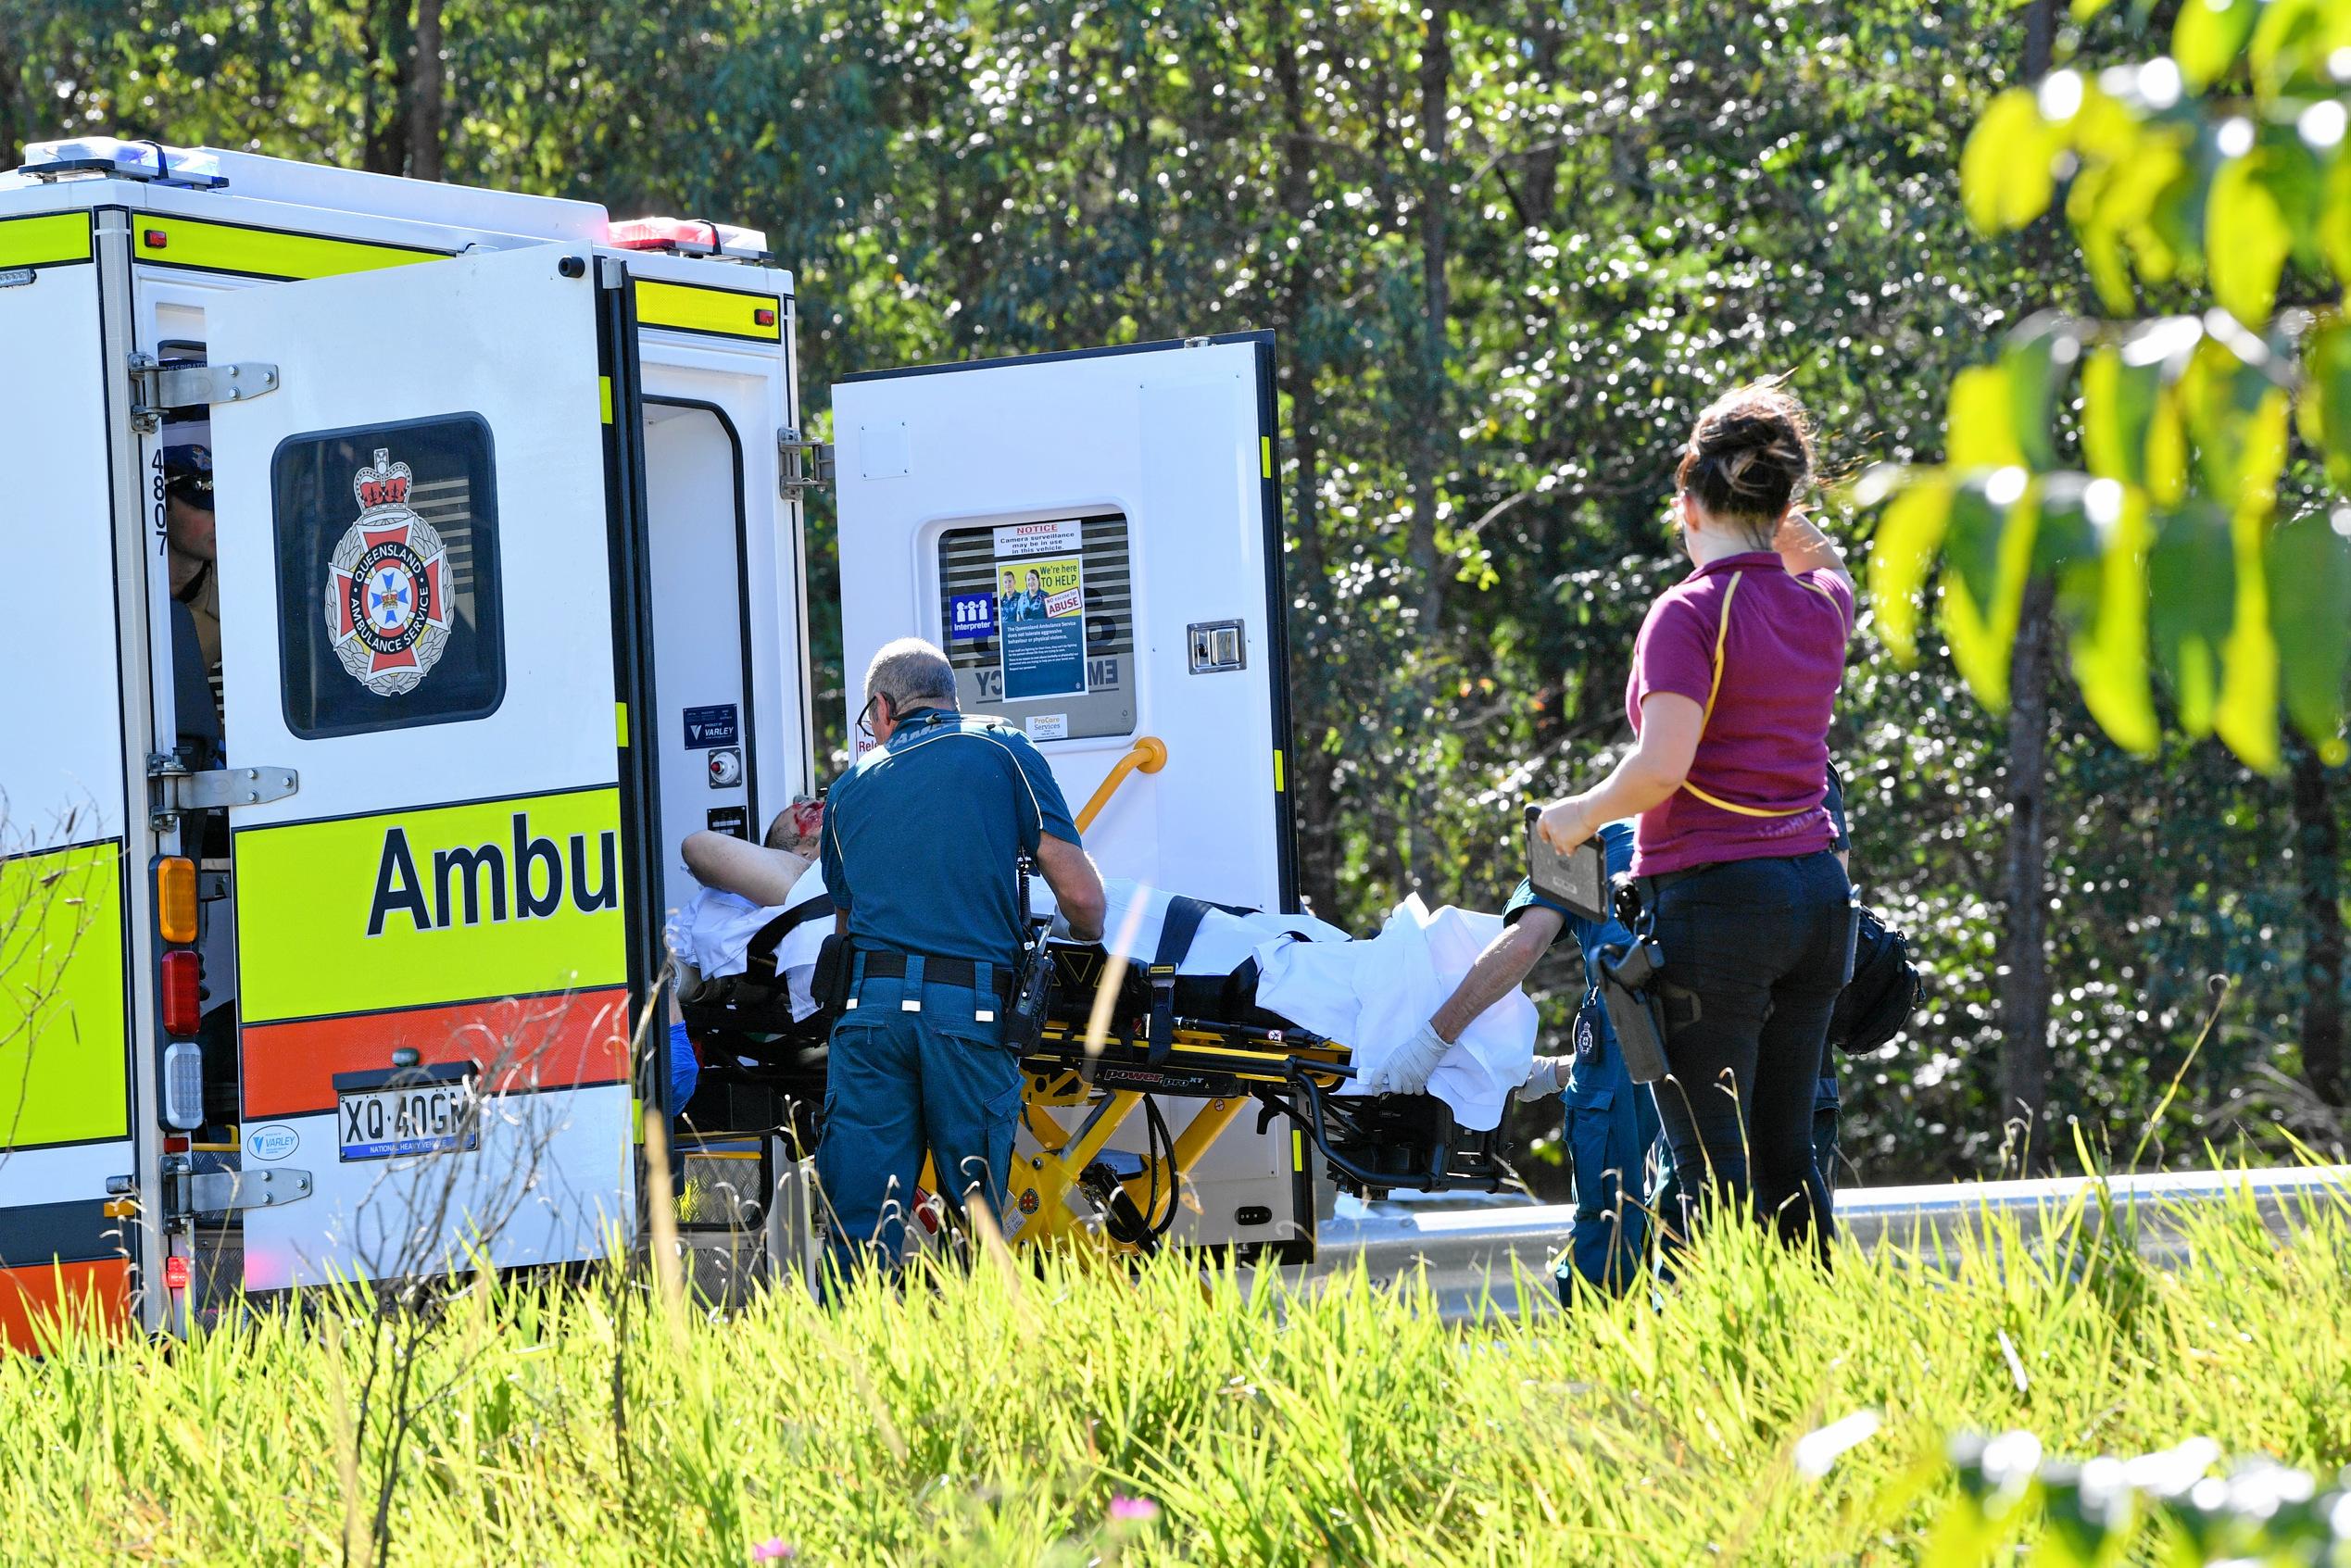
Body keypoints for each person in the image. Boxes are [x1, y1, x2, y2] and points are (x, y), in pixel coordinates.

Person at [1534, 382, 1854, 1267]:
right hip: (1818, 900)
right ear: (1785, 498)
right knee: (1790, 1160)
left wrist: (1575, 816)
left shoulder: (1687, 612)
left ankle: (1728, 1372)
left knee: (1713, 1170)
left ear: (1686, 499)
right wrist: (1779, 509)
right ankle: (1820, 1355)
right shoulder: (1823, 605)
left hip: (1719, 911)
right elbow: (1825, 557)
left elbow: (1662, 767)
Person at [816, 637, 1107, 1284]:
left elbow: (847, 925)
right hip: (968, 1018)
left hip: (869, 1021)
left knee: (855, 1238)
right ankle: (972, 1368)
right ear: (950, 699)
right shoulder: (1003, 751)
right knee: (972, 1230)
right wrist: (1079, 938)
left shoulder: (847, 790)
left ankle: (844, 1373)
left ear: (883, 709)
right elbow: (1083, 899)